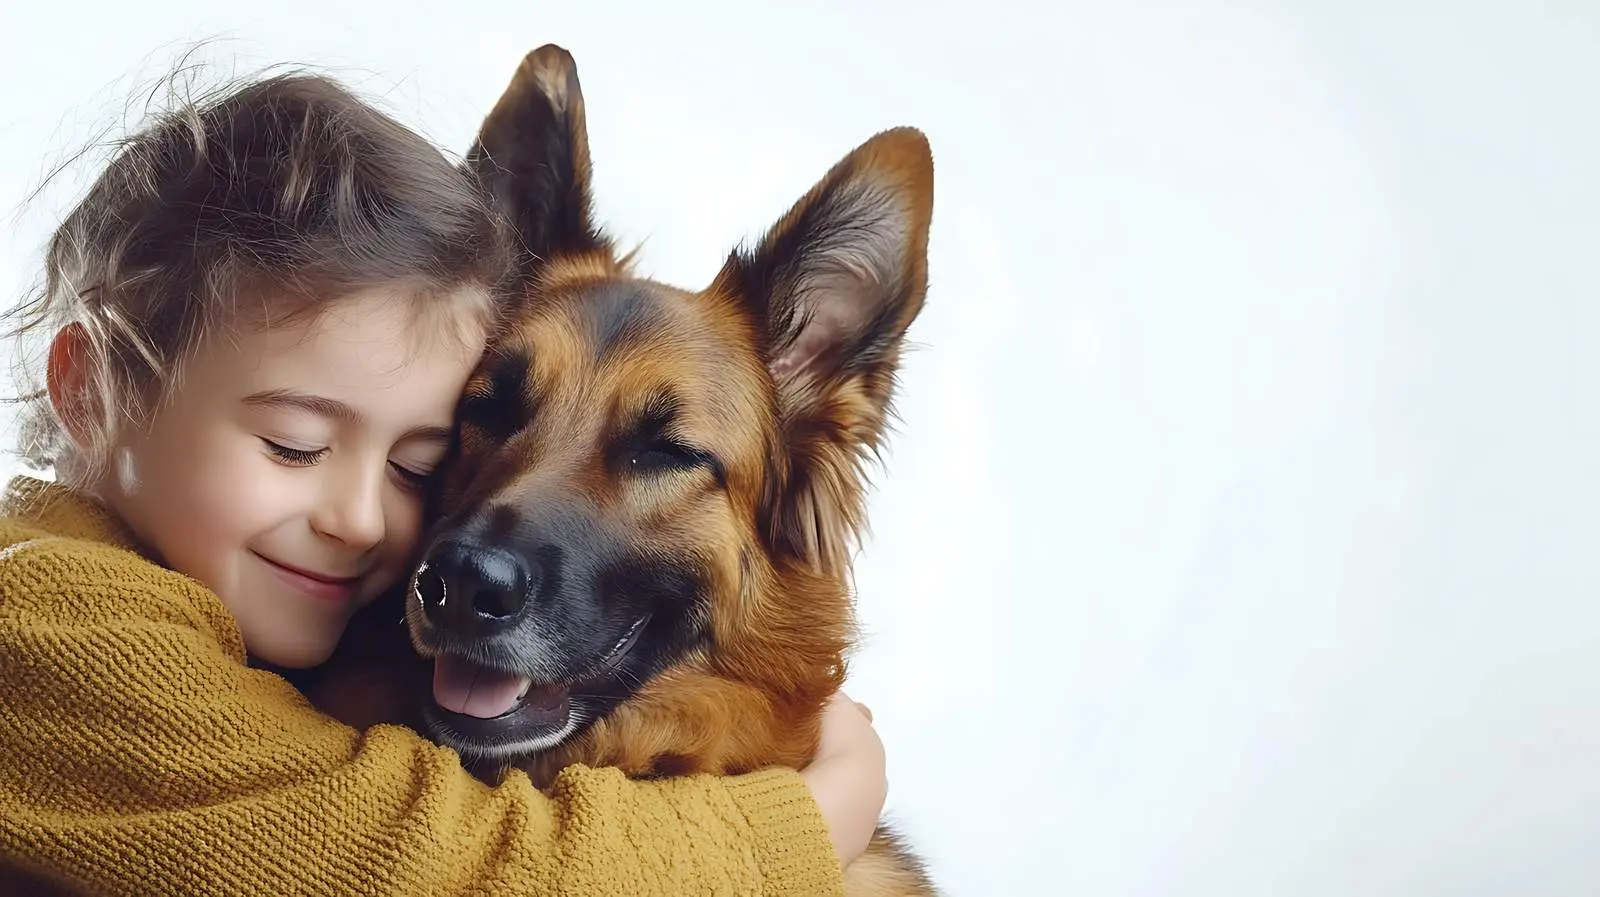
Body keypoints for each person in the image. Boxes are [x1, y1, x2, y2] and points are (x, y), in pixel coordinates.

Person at [0, 65, 886, 896]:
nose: (359, 519)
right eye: (295, 443)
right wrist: (817, 813)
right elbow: (434, 861)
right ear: (87, 390)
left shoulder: (259, 641)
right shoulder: (55, 618)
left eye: (415, 464)